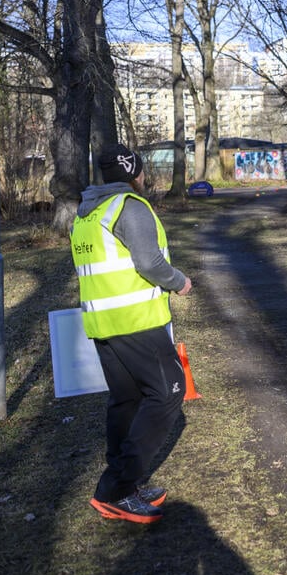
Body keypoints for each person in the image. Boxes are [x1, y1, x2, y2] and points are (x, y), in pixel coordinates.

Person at [70, 143, 193, 523]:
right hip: (136, 320)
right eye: (140, 171)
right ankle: (118, 488)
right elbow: (149, 262)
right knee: (170, 391)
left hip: (102, 323)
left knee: (126, 400)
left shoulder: (87, 213)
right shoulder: (129, 206)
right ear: (134, 172)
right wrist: (179, 281)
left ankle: (126, 484)